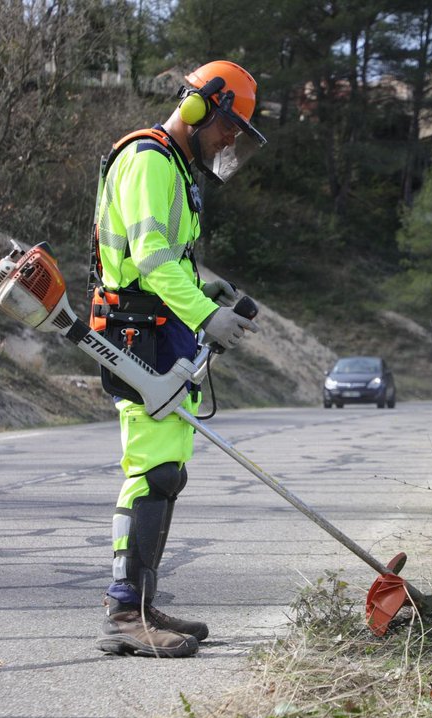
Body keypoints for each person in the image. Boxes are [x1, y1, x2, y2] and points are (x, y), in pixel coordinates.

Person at [91, 60, 265, 658]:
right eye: (228, 125)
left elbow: (175, 259)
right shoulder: (147, 159)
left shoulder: (172, 166)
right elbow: (149, 258)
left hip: (162, 331)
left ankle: (138, 601)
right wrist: (203, 314)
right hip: (138, 334)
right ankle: (124, 614)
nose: (229, 140)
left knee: (166, 472)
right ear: (198, 107)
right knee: (152, 472)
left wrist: (209, 290)